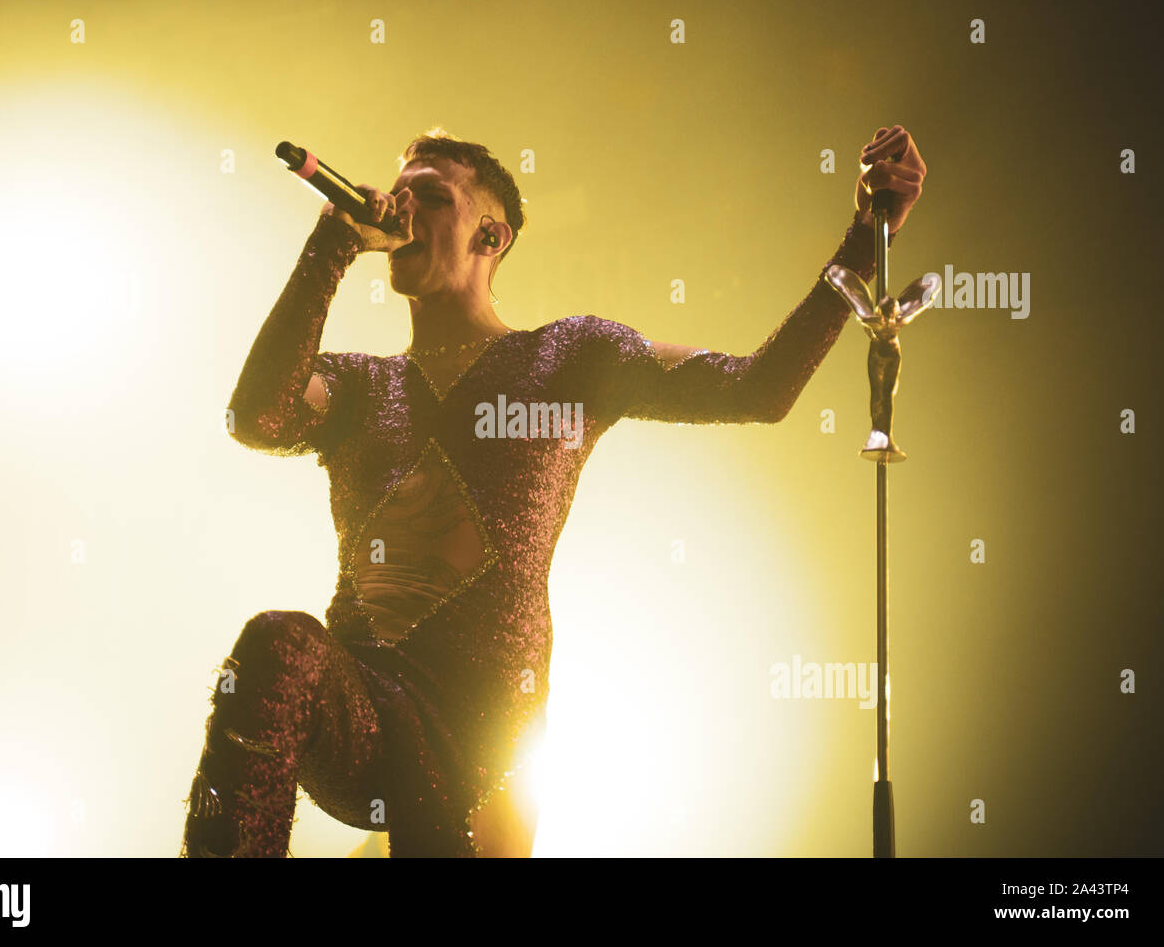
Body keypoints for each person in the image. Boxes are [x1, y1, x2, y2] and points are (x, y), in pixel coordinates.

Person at [181, 125, 927, 857]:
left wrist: (866, 239)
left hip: (481, 738)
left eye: (432, 197)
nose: (401, 209)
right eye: (397, 193)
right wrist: (331, 242)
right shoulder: (359, 387)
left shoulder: (565, 360)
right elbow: (256, 415)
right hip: (366, 712)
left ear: (491, 237)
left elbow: (757, 388)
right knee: (278, 644)